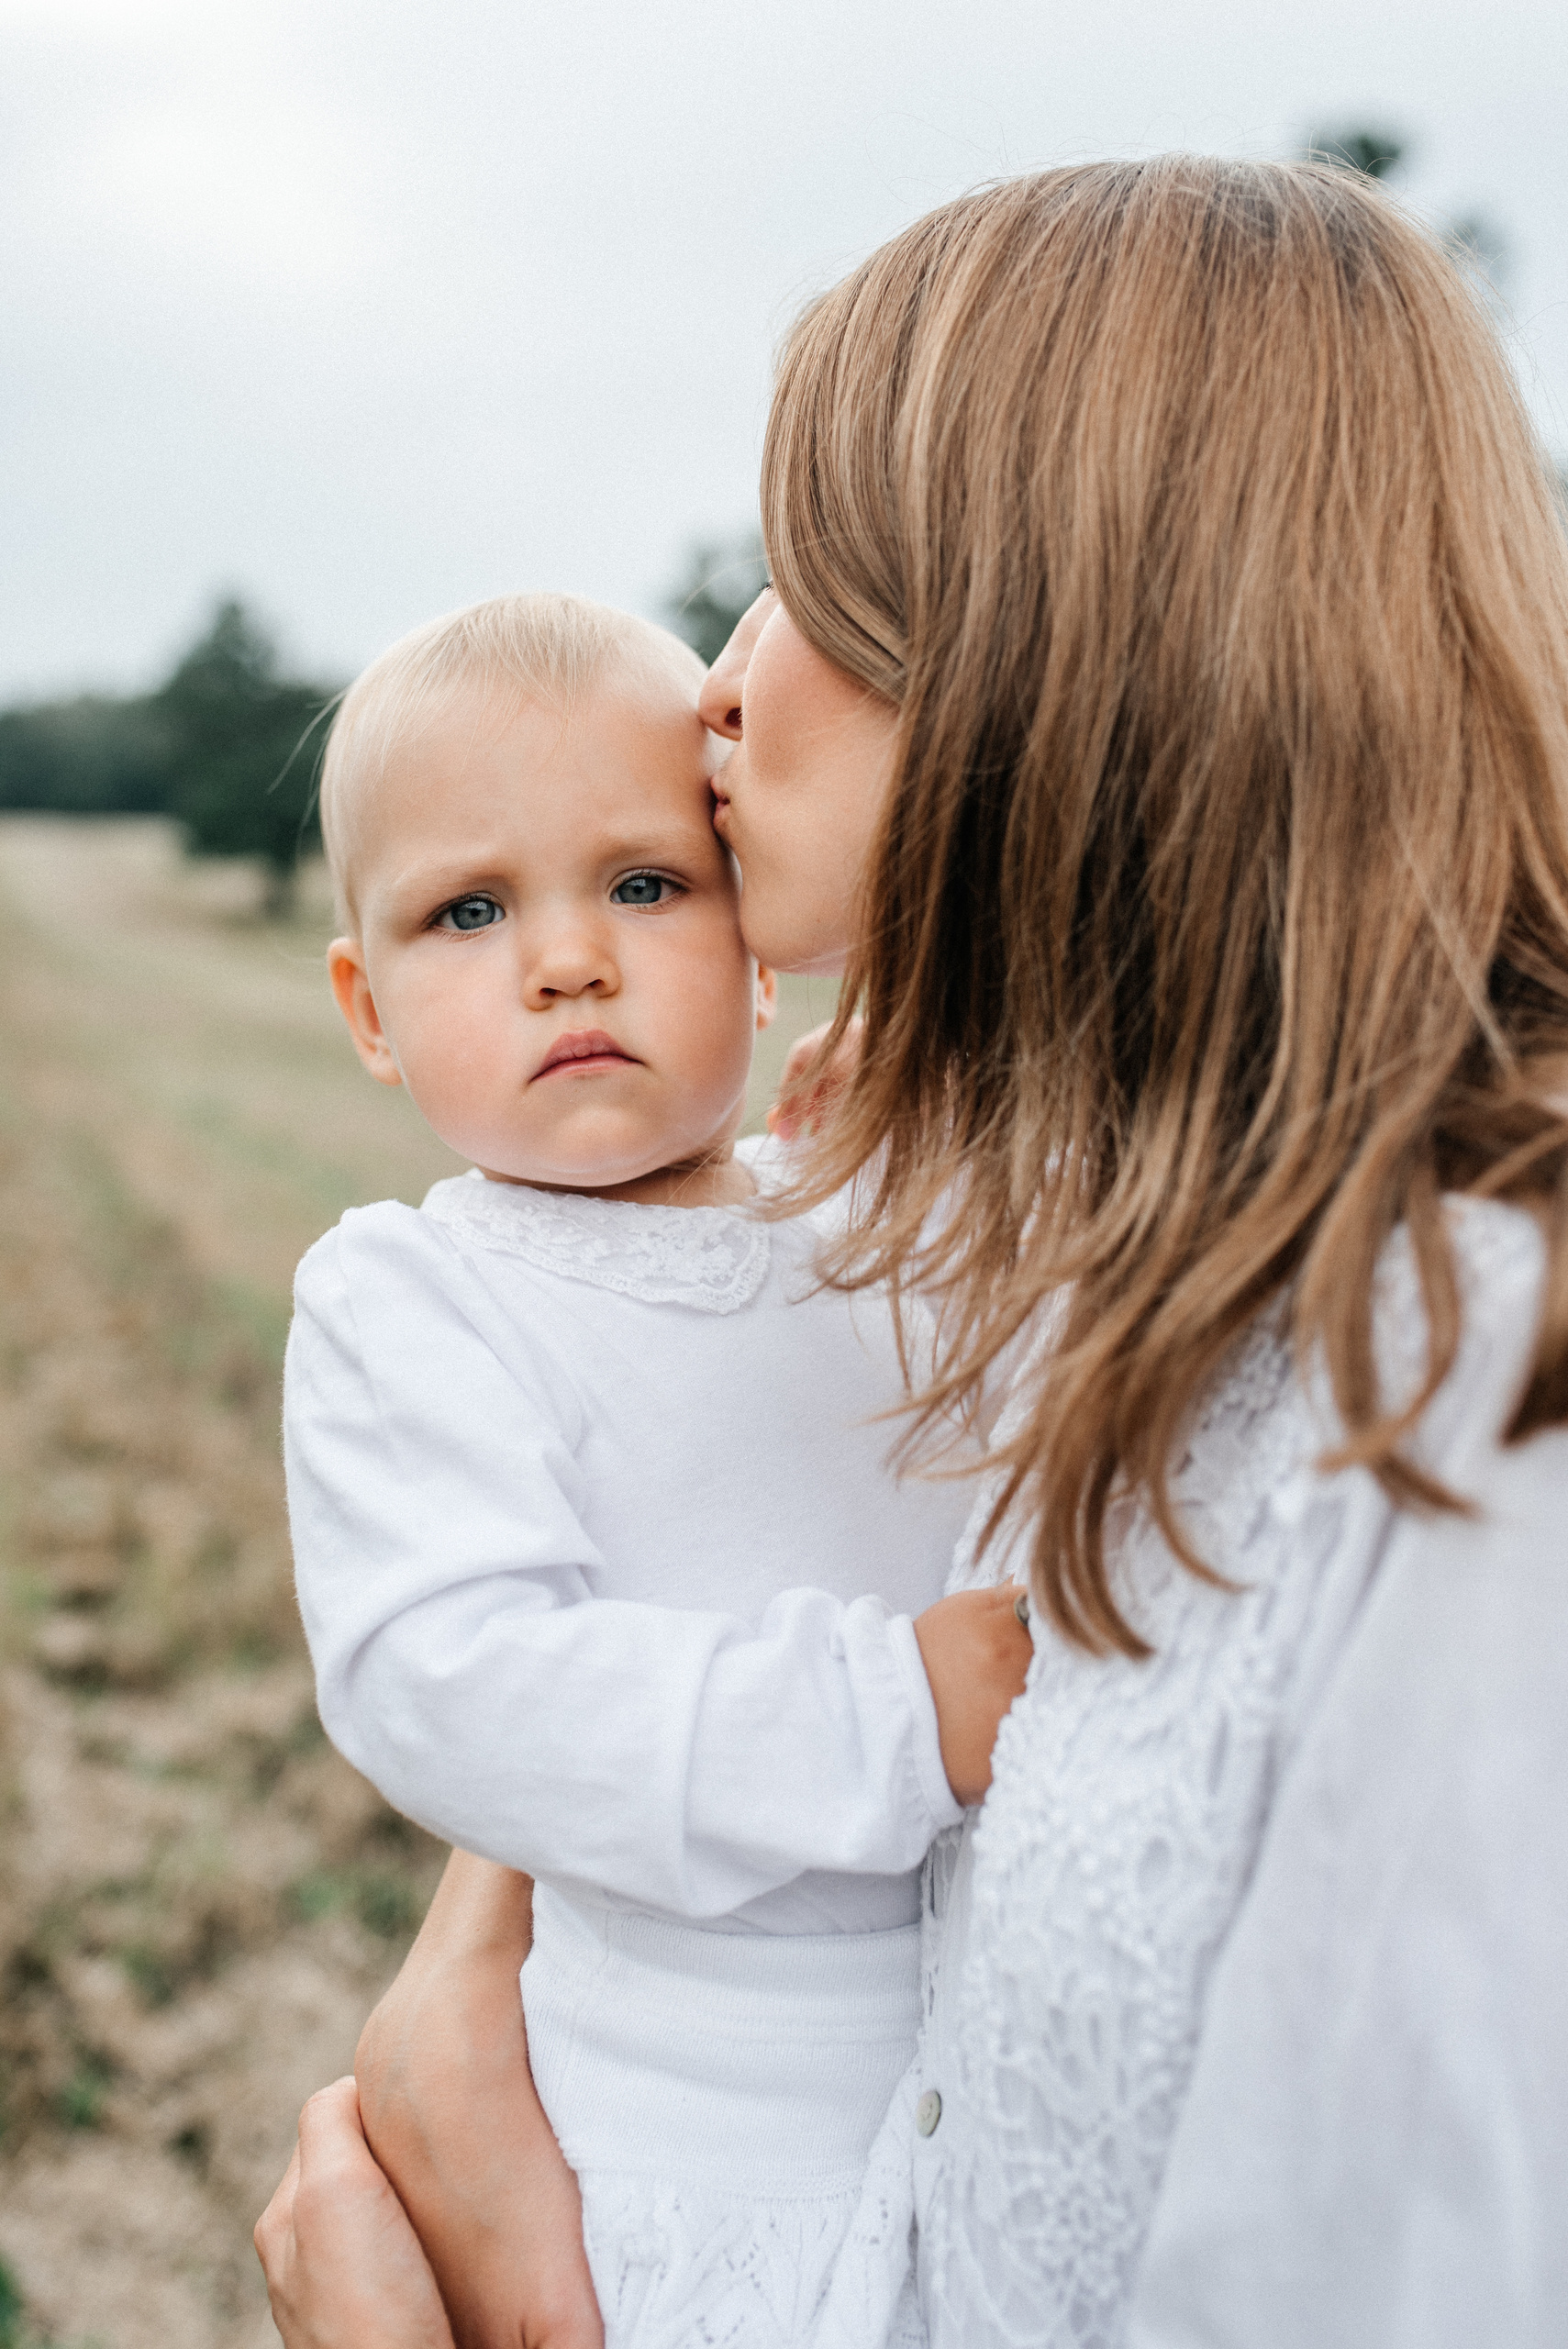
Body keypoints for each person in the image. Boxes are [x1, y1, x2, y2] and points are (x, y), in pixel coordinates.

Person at [260, 155, 1568, 2346]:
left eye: (808, 580)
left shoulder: (1476, 1394)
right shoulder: (1105, 1262)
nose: (720, 691)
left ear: (1070, 647)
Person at [281, 590, 1032, 2349]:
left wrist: (958, 1122)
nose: (567, 959)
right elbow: (454, 1686)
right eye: (468, 911)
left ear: (761, 947)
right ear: (368, 1008)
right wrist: (888, 1715)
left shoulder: (872, 1223)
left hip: (979, 2066)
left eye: (643, 884)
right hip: (684, 2143)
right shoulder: (416, 1293)